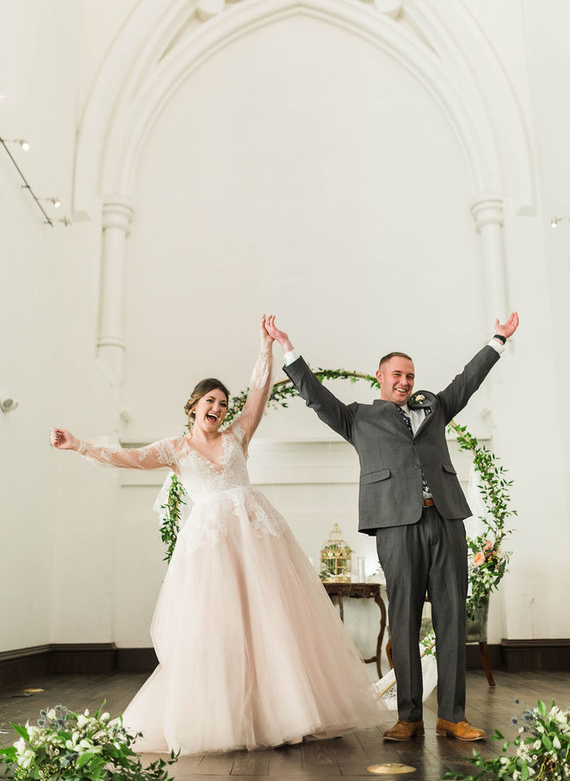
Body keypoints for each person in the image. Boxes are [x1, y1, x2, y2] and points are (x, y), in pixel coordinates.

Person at [50, 316, 385, 755]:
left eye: (224, 404)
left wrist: (265, 349)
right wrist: (79, 445)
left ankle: (288, 710)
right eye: (212, 401)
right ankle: (230, 715)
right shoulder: (174, 449)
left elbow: (260, 393)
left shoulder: (237, 436)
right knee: (221, 626)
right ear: (194, 405)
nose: (219, 409)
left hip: (257, 539)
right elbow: (126, 457)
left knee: (272, 622)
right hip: (212, 548)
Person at [264, 312, 519, 743]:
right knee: (402, 618)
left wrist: (498, 340)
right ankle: (409, 716)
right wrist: (289, 349)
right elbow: (315, 395)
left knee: (452, 617)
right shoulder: (358, 417)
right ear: (380, 376)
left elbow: (466, 381)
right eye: (397, 373)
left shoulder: (435, 406)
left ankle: (453, 716)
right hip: (395, 526)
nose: (405, 380)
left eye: (411, 375)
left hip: (447, 519)